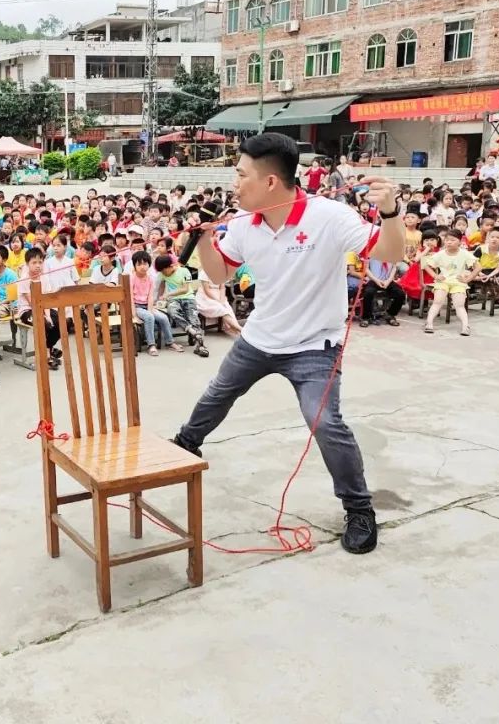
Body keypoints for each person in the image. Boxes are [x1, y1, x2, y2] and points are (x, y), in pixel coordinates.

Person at [171, 133, 405, 555]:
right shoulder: (245, 225)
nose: (235, 183)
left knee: (327, 424)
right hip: (260, 338)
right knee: (217, 395)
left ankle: (359, 509)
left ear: (271, 182)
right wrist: (204, 239)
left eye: (242, 175)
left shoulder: (329, 216)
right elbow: (221, 274)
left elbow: (387, 253)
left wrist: (390, 212)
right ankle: (186, 444)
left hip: (315, 347)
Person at [154, 253, 207, 357]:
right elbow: (161, 286)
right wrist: (159, 299)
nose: (164, 273)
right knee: (172, 312)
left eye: (165, 270)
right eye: (161, 272)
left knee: (193, 318)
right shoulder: (162, 274)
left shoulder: (184, 271)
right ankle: (191, 330)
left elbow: (185, 289)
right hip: (173, 300)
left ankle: (200, 346)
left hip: (188, 297)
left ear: (171, 266)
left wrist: (167, 294)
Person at [130, 250, 177, 356]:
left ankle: (170, 342)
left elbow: (151, 296)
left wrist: (150, 309)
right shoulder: (132, 278)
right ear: (134, 266)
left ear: (149, 264)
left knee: (163, 317)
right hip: (136, 307)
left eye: (145, 263)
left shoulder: (150, 279)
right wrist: (134, 315)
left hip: (147, 305)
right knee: (149, 317)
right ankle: (151, 345)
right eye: (139, 264)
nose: (143, 266)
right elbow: (130, 298)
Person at [359, 258, 404, 327]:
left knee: (400, 294)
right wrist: (376, 280)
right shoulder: (371, 252)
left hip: (387, 281)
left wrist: (388, 281)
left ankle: (390, 314)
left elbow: (393, 268)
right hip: (373, 280)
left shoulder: (392, 254)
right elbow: (366, 269)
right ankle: (366, 317)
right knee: (368, 292)